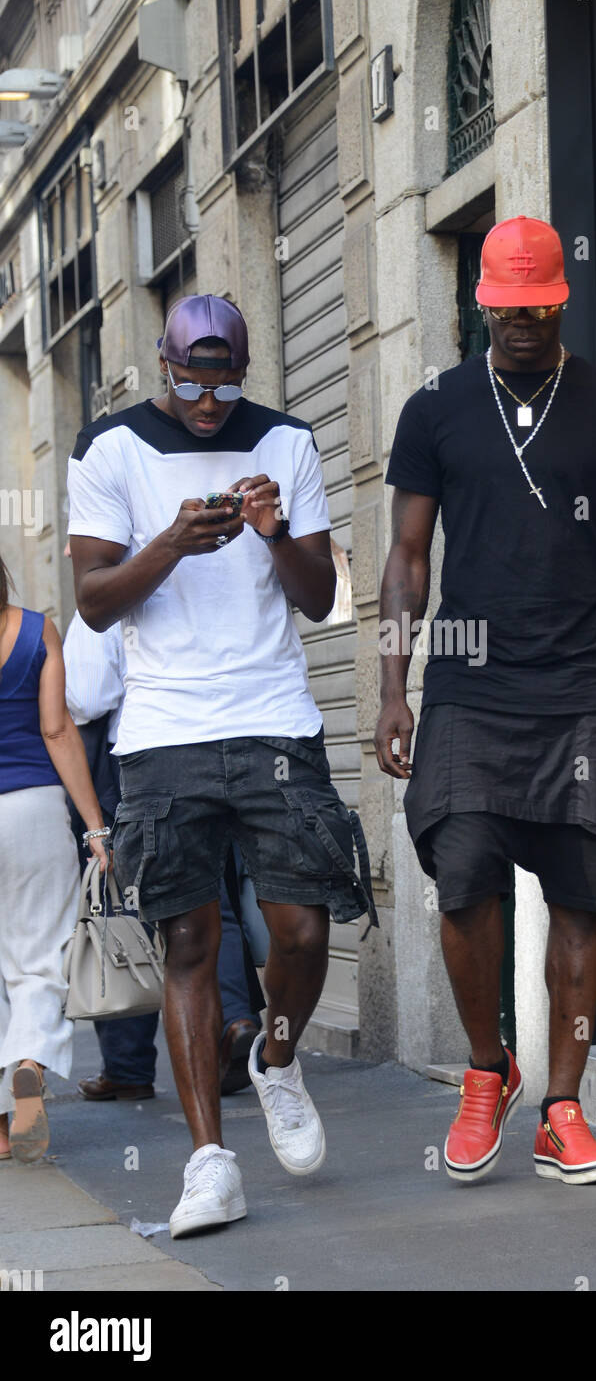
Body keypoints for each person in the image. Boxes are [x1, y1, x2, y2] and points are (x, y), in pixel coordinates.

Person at [375, 215, 596, 1186]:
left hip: (584, 686)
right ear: (481, 304)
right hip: (467, 687)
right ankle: (485, 1066)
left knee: (581, 893)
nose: (519, 323)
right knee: (461, 877)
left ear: (559, 299)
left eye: (534, 307)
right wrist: (392, 684)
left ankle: (560, 1108)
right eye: (503, 308)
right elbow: (406, 559)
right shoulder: (435, 411)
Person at [67, 293, 376, 1237]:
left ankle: (277, 1061)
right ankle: (209, 1164)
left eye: (227, 381)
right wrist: (170, 543)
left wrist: (276, 532)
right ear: (163, 365)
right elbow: (92, 603)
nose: (210, 401)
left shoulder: (285, 440)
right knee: (190, 946)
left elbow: (322, 597)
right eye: (193, 382)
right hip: (160, 733)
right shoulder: (109, 449)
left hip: (275, 720)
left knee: (305, 928)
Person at [61, 590, 264, 1100]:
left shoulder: (107, 596)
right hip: (222, 750)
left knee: (122, 907)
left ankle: (128, 1069)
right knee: (212, 899)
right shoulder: (206, 584)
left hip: (138, 760)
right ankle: (234, 1023)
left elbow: (86, 695)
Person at [0, 554, 108, 1163]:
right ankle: (32, 1063)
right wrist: (95, 826)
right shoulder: (38, 628)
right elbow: (57, 729)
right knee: (40, 954)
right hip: (35, 810)